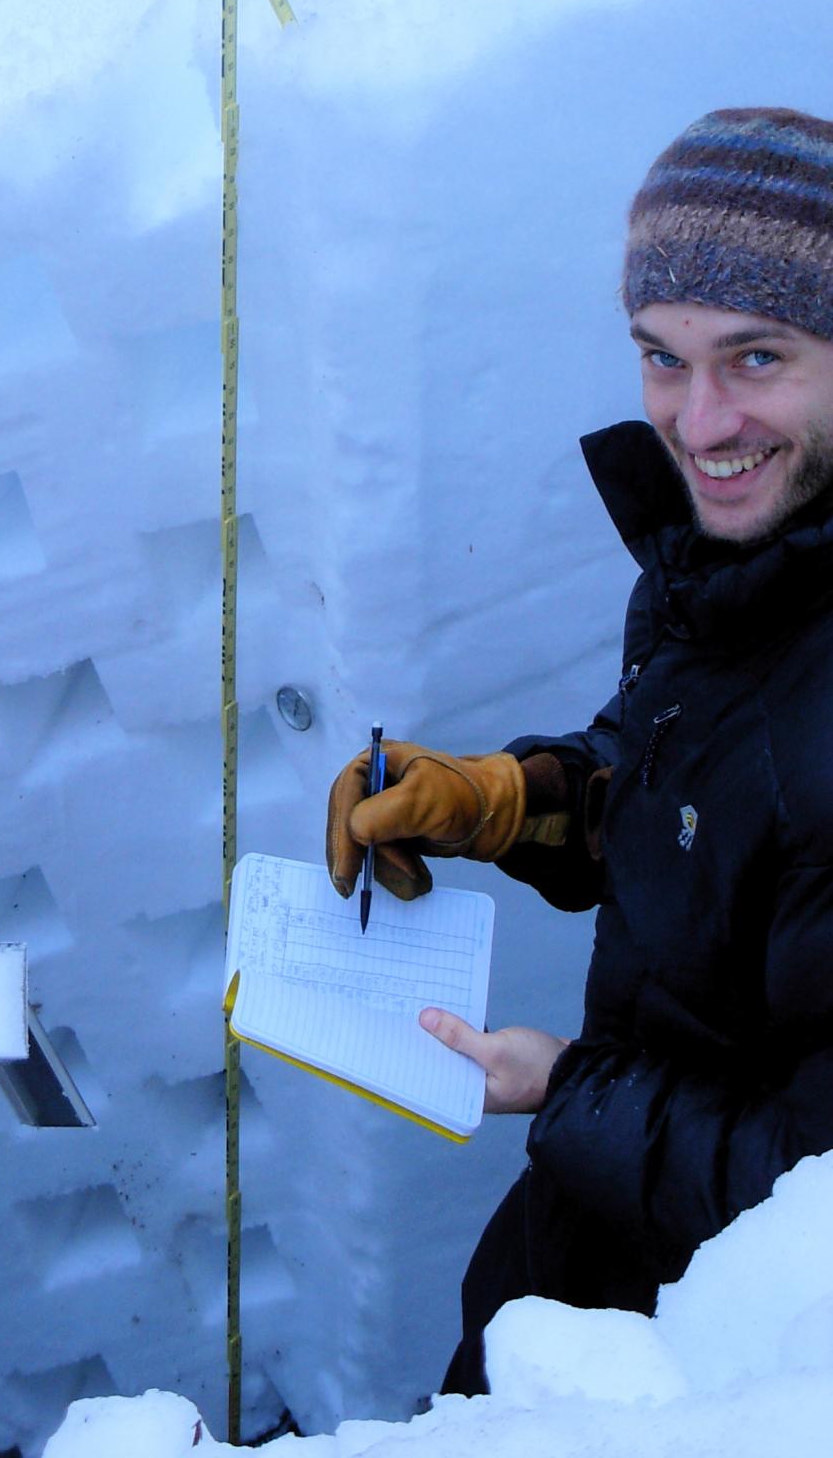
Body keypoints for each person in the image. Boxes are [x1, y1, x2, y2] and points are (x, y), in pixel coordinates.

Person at [324, 106, 833, 1394]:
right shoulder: (741, 558)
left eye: (756, 355)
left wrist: (565, 1091)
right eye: (662, 358)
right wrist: (508, 800)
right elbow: (697, 782)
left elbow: (819, 1199)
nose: (699, 421)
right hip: (591, 1254)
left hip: (720, 1369)